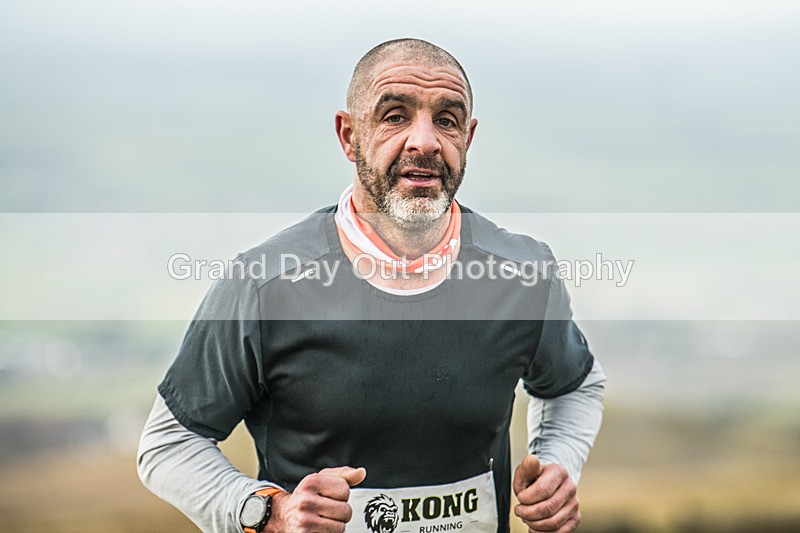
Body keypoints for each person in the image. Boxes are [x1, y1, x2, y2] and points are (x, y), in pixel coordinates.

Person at [138, 38, 605, 533]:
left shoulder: (524, 273)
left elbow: (575, 387)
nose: (424, 141)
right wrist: (267, 511)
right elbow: (169, 443)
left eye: (446, 120)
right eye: (395, 115)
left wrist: (556, 466)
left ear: (468, 138)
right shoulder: (263, 284)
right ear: (349, 136)